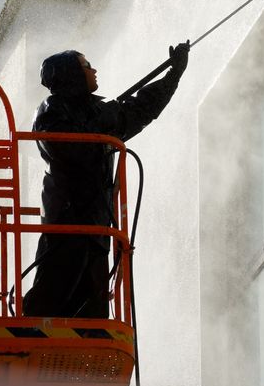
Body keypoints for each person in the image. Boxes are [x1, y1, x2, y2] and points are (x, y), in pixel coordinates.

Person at [22, 42, 190, 318]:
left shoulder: (94, 113)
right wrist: (104, 121)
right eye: (87, 66)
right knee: (53, 290)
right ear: (71, 74)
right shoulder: (51, 111)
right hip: (68, 222)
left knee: (93, 306)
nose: (94, 70)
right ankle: (30, 335)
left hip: (96, 225)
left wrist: (173, 74)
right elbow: (71, 149)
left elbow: (140, 109)